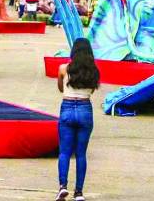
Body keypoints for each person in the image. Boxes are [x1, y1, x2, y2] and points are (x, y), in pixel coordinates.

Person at [55, 38, 99, 201]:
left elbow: (61, 88)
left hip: (67, 108)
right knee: (81, 154)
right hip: (84, 108)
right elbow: (92, 91)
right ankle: (79, 192)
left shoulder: (63, 68)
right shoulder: (93, 71)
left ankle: (62, 187)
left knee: (65, 152)